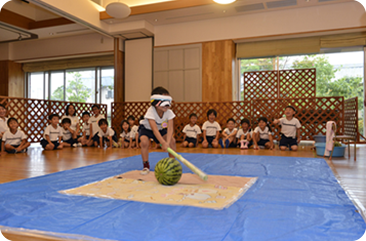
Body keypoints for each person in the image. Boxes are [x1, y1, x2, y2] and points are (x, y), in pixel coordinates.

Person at [138, 86, 176, 174]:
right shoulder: (151, 111)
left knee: (172, 141)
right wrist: (163, 143)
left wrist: (167, 143)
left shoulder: (169, 112)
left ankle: (172, 164)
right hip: (147, 129)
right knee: (144, 142)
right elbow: (154, 130)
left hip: (160, 129)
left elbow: (170, 129)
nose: (166, 105)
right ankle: (146, 165)